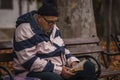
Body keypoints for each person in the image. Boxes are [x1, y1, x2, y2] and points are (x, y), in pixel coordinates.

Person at [13, 1, 97, 80]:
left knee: (88, 66)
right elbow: (29, 61)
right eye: (50, 22)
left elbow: (63, 49)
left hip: (59, 69)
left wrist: (73, 62)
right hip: (32, 72)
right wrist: (59, 70)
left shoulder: (53, 28)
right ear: (39, 18)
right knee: (55, 78)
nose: (52, 26)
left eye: (55, 22)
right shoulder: (24, 30)